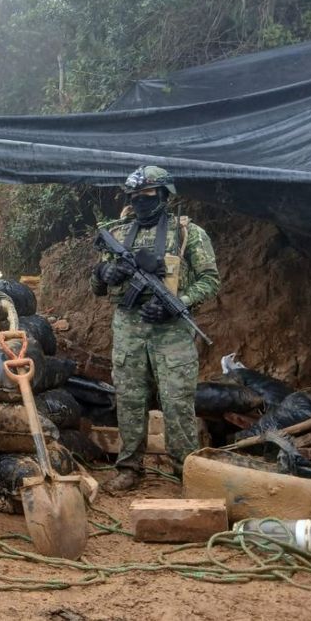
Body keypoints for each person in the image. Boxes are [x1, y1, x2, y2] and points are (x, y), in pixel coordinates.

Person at [90, 166, 220, 491]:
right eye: (135, 198)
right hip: (128, 328)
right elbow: (97, 285)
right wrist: (105, 273)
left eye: (148, 197)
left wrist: (179, 301)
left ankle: (185, 471)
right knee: (130, 399)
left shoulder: (188, 233)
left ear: (164, 195)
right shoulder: (117, 233)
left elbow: (210, 280)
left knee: (177, 401)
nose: (141, 204)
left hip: (172, 331)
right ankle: (130, 468)